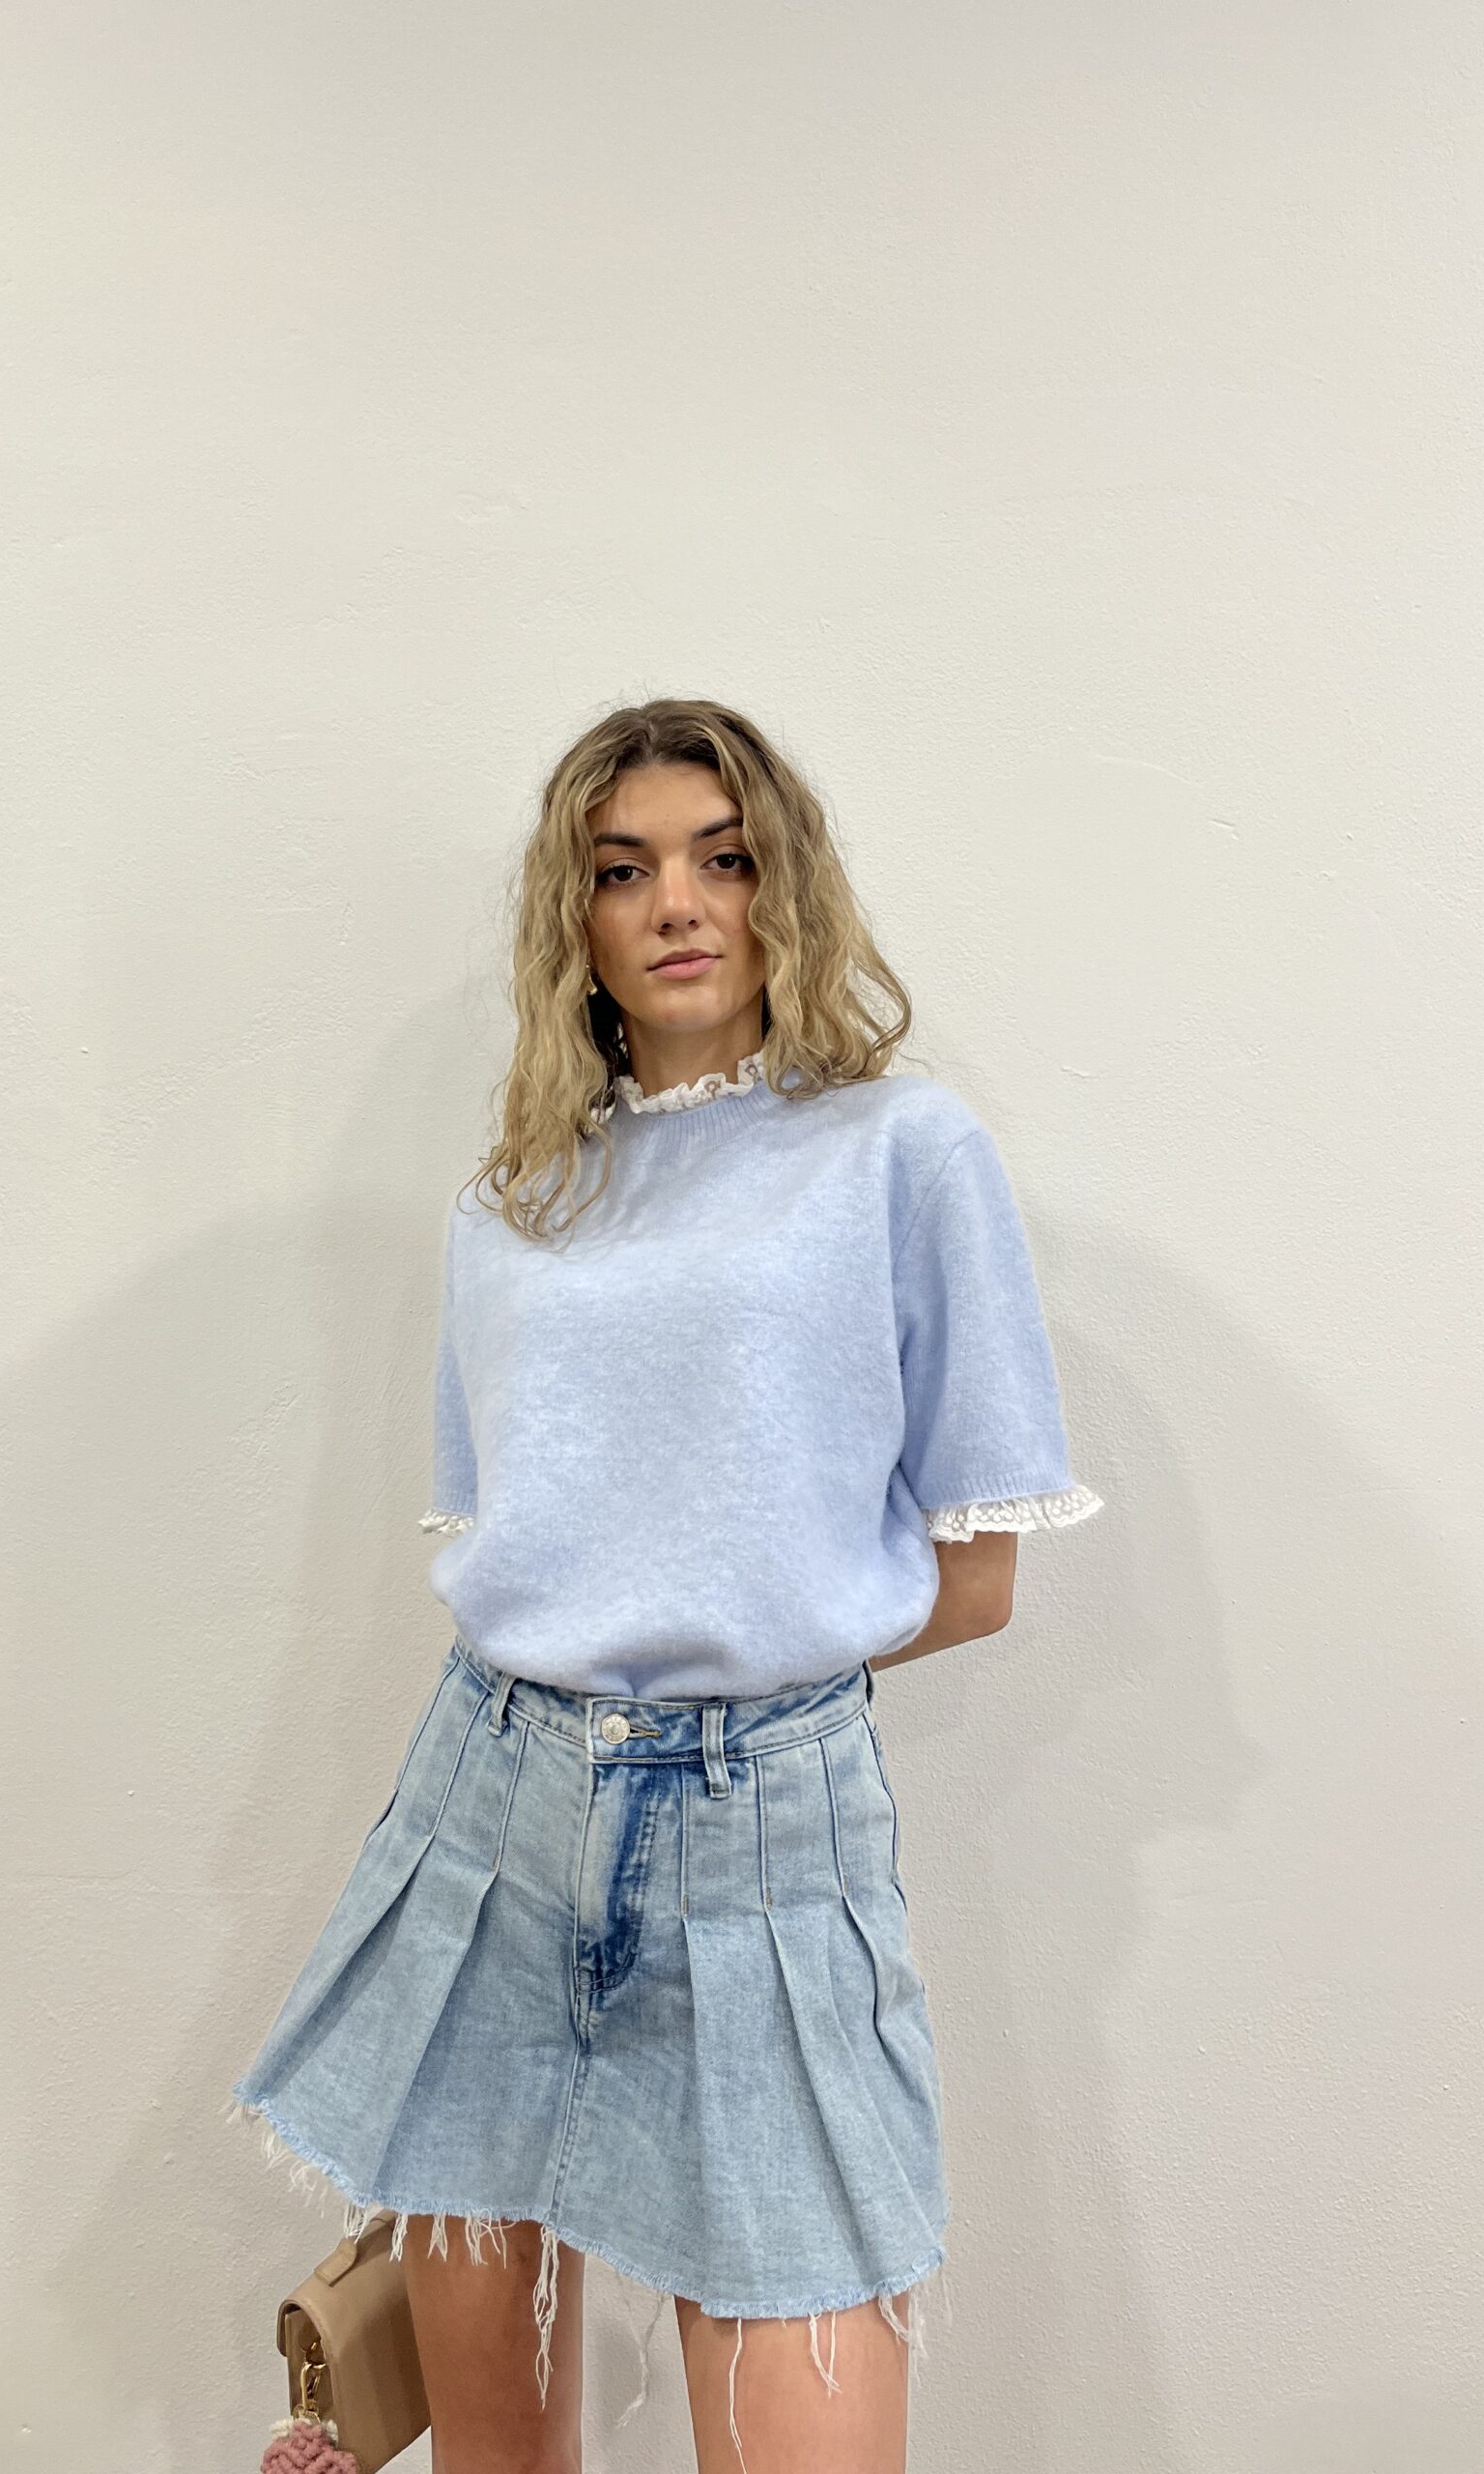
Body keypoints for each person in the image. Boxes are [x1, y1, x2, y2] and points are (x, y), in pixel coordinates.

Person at [227, 697, 1104, 2474]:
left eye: (725, 858)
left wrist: (744, 1668)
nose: (678, 903)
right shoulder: (519, 1196)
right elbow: (520, 1540)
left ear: (790, 889)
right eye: (622, 870)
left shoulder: (901, 1152)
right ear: (576, 919)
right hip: (495, 1806)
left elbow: (978, 1576)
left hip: (764, 1826)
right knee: (496, 2452)